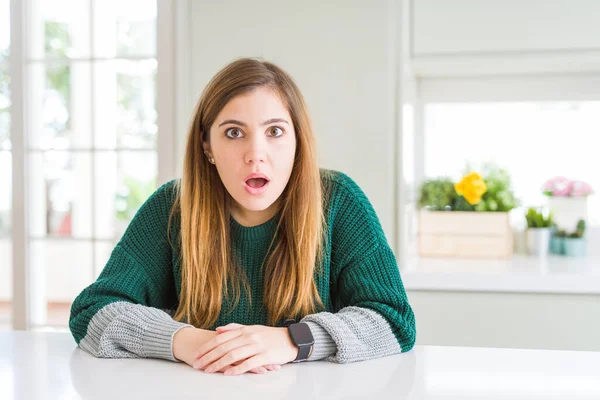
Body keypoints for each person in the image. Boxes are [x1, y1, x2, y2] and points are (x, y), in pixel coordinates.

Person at [69, 58, 416, 376]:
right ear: (207, 147)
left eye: (275, 131)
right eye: (234, 133)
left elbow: (394, 320)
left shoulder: (338, 200)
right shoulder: (172, 207)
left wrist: (292, 340)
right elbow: (93, 311)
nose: (256, 155)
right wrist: (190, 343)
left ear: (298, 140)